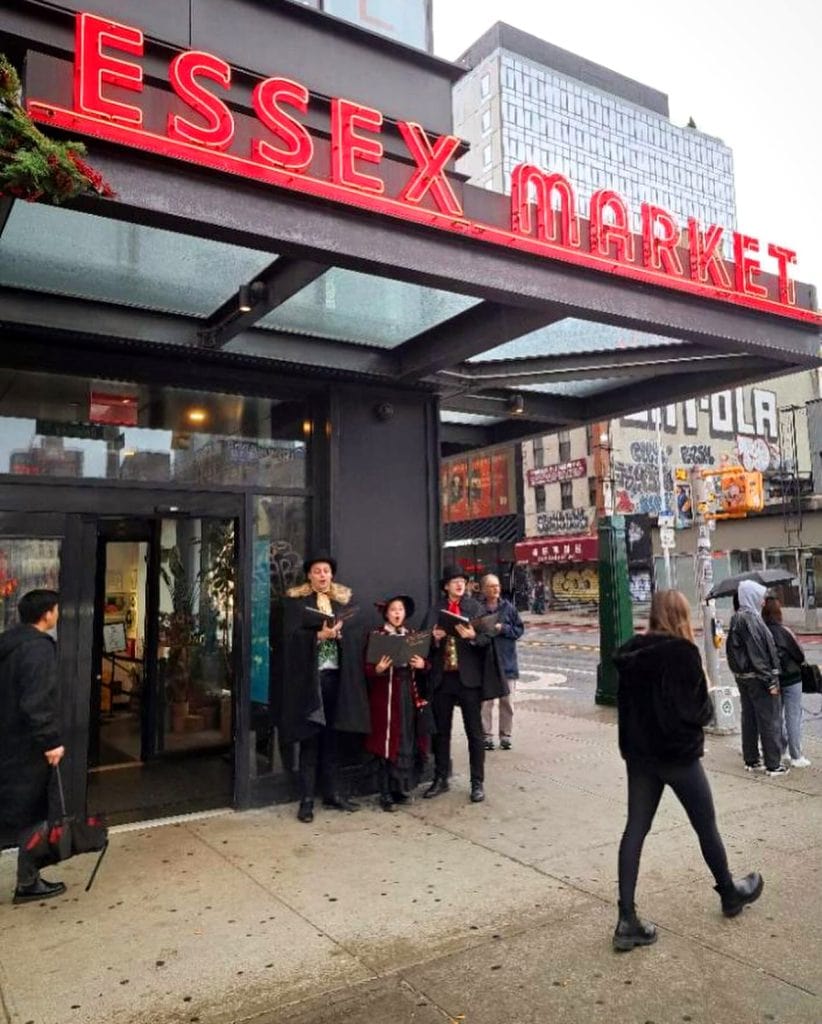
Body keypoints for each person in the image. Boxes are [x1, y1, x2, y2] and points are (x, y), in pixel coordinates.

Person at [612, 590, 764, 952]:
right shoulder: (682, 654)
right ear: (680, 615)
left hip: (641, 758)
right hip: (678, 757)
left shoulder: (630, 654)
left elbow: (627, 710)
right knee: (705, 824)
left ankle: (626, 919)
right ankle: (729, 893)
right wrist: (705, 691)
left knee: (635, 829)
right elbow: (698, 713)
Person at [274, 553, 370, 823]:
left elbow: (355, 639)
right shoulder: (297, 603)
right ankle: (306, 800)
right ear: (309, 575)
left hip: (336, 678)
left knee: (332, 740)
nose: (322, 575)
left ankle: (332, 793)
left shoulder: (341, 603)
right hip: (310, 680)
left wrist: (339, 636)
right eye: (317, 571)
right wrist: (318, 636)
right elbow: (289, 640)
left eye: (326, 571)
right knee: (310, 739)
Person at [0, 589, 66, 904]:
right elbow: (36, 701)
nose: (58, 614)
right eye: (56, 609)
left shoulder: (9, 644)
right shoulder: (38, 650)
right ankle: (27, 882)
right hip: (26, 747)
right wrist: (51, 741)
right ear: (47, 614)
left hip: (7, 739)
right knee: (32, 813)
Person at [422, 566, 508, 803]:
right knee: (441, 732)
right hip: (443, 678)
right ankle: (440, 778)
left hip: (468, 679)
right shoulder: (436, 609)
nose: (459, 585)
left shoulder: (473, 608)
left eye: (462, 581)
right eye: (454, 581)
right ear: (446, 586)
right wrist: (434, 639)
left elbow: (486, 638)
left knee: (475, 732)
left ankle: (477, 782)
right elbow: (422, 642)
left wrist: (472, 637)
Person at [364, 595, 433, 811]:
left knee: (406, 740)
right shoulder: (377, 635)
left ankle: (400, 788)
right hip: (385, 698)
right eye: (393, 609)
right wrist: (378, 669)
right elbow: (367, 668)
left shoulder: (412, 636)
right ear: (386, 613)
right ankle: (385, 793)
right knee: (387, 743)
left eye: (400, 610)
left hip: (407, 695)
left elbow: (426, 666)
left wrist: (423, 664)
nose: (397, 613)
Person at [725, 581, 788, 776]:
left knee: (749, 718)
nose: (762, 602)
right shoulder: (751, 619)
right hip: (759, 678)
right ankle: (773, 763)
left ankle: (751, 758)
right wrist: (770, 680)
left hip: (744, 677)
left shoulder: (737, 618)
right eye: (760, 597)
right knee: (769, 719)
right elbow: (759, 653)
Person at [761, 595, 811, 768]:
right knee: (793, 716)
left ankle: (780, 750)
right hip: (793, 678)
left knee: (776, 716)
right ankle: (796, 755)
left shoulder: (762, 632)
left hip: (774, 679)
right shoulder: (786, 631)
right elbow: (799, 654)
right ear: (778, 612)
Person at [479, 573, 524, 751]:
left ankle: (506, 735)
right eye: (491, 586)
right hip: (487, 663)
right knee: (486, 703)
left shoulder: (509, 608)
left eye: (497, 585)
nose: (495, 589)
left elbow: (519, 630)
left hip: (507, 663)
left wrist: (504, 628)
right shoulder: (479, 609)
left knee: (507, 702)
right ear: (483, 589)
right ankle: (486, 736)